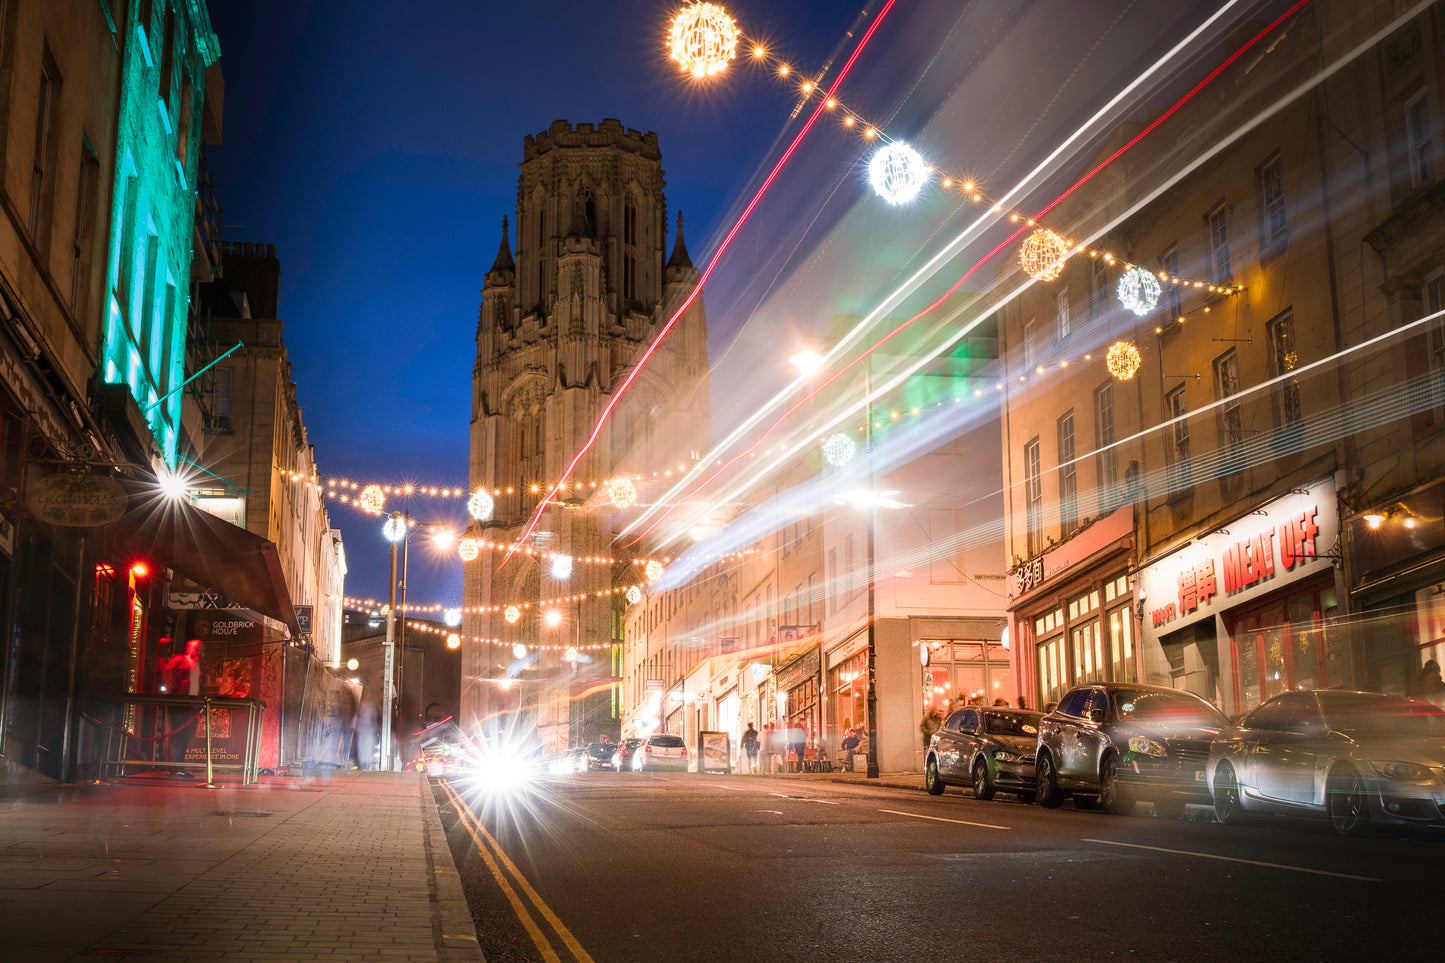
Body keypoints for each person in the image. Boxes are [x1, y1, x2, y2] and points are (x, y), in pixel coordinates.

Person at [158, 639, 203, 776]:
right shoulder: (178, 661)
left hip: (192, 704)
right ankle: (176, 768)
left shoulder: (198, 663)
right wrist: (171, 695)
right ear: (189, 648)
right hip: (180, 703)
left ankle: (178, 767)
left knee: (185, 736)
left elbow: (199, 683)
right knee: (179, 735)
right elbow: (166, 676)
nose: (199, 651)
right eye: (197, 648)